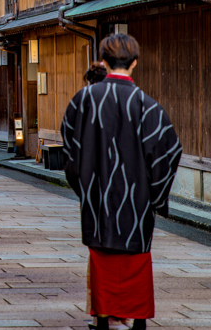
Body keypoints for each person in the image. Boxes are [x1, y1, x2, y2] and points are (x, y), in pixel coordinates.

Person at [61, 34, 181, 330]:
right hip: (136, 202)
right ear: (135, 63)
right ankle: (138, 322)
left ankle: (102, 320)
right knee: (136, 263)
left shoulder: (84, 99)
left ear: (103, 61)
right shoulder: (147, 105)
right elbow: (168, 151)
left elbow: (69, 149)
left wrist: (86, 189)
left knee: (103, 260)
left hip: (97, 200)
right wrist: (155, 197)